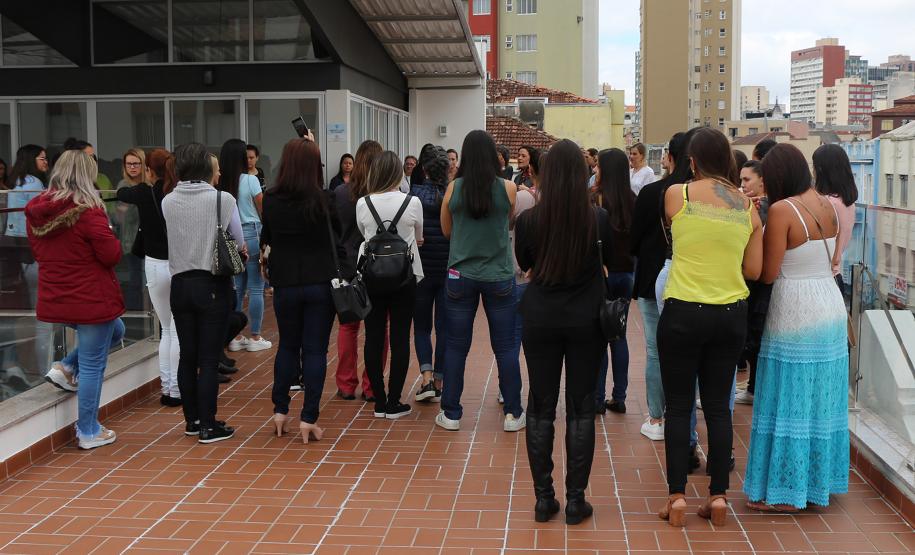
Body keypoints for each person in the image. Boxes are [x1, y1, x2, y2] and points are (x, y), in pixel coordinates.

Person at [655, 127, 762, 528]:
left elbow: (671, 236)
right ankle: (718, 496)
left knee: (679, 405)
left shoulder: (677, 195)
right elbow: (754, 270)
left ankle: (677, 497)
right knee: (718, 407)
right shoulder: (748, 209)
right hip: (729, 314)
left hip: (683, 310)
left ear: (693, 161)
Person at [743, 143, 849, 513]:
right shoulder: (826, 203)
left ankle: (788, 491)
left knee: (789, 396)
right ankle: (817, 482)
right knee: (819, 398)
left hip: (796, 308)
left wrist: (755, 227)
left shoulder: (783, 211)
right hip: (829, 302)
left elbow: (767, 273)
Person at [514, 139, 612, 525]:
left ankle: (544, 498)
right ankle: (575, 499)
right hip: (587, 319)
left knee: (540, 405)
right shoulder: (597, 219)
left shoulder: (529, 221)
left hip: (540, 317)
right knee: (581, 407)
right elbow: (610, 259)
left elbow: (525, 262)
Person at [26, 149, 126, 449]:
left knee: (117, 330)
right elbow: (111, 255)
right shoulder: (89, 211)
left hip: (58, 296)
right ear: (86, 175)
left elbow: (39, 252)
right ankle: (88, 431)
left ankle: (67, 367)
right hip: (90, 298)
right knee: (93, 366)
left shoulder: (36, 211)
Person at [261, 135, 350, 443]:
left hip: (285, 283)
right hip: (320, 283)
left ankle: (280, 411)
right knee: (314, 350)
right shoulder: (325, 199)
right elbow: (337, 239)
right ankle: (308, 418)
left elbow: (268, 237)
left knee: (287, 346)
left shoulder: (271, 199)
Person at [437, 130, 525, 433]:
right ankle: (513, 413)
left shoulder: (454, 188)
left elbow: (447, 231)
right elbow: (507, 222)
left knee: (455, 346)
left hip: (460, 275)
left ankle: (451, 413)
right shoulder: (508, 188)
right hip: (499, 275)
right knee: (506, 346)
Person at [163, 142, 247, 444]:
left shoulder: (168, 201)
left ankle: (192, 420)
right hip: (211, 284)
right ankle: (209, 426)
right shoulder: (223, 199)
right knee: (209, 359)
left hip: (179, 284)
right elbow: (238, 240)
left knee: (187, 356)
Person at [628, 131, 692, 441]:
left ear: (670, 157)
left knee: (655, 350)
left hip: (652, 276)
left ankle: (656, 418)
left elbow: (634, 241)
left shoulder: (652, 192)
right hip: (692, 281)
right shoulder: (703, 195)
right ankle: (685, 416)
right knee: (689, 352)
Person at [357, 151, 423, 420]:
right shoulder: (412, 201)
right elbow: (419, 236)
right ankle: (395, 401)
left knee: (373, 336)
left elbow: (364, 234)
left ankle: (379, 401)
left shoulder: (363, 203)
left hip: (372, 276)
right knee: (400, 338)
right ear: (397, 173)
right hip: (404, 277)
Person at [116, 148, 182, 407]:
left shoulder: (144, 192)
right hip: (179, 264)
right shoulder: (176, 193)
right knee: (177, 330)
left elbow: (122, 193)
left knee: (166, 329)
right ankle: (177, 389)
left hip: (154, 265)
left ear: (149, 170)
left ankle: (167, 388)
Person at [333, 140, 381, 401]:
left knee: (348, 326)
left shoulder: (341, 193)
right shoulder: (382, 195)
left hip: (347, 265)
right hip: (376, 267)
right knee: (378, 329)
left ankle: (346, 384)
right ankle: (372, 385)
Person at [591, 148, 636, 415]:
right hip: (627, 274)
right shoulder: (634, 199)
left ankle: (597, 398)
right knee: (619, 335)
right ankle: (619, 397)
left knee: (598, 337)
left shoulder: (595, 197)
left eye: (598, 165)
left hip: (602, 274)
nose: (595, 169)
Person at [221, 139, 271, 353]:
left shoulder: (220, 183)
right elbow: (263, 209)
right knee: (256, 287)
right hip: (251, 232)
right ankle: (255, 336)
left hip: (229, 236)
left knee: (238, 288)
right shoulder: (250, 180)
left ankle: (234, 336)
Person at [410, 146, 451, 402]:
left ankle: (426, 379)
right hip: (448, 269)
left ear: (424, 169)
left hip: (421, 270)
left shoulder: (413, 195)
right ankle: (439, 380)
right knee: (444, 328)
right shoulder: (452, 194)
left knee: (422, 327)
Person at [736, 160, 770, 406]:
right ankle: (752, 386)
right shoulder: (754, 205)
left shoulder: (763, 209)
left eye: (747, 179)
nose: (742, 185)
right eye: (741, 180)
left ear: (762, 181)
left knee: (754, 336)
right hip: (752, 281)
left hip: (756, 281)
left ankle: (754, 388)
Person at [812, 144, 858, 287]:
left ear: (821, 170)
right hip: (835, 276)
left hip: (821, 277)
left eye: (814, 166)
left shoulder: (827, 203)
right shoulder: (847, 202)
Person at [115, 148, 146, 311]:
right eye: (129, 164)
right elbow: (120, 215)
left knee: (146, 278)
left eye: (136, 163)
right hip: (131, 239)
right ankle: (137, 312)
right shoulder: (124, 185)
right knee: (136, 277)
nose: (132, 167)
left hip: (148, 238)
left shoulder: (148, 183)